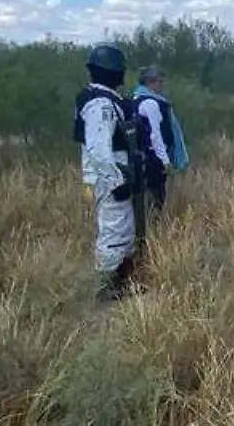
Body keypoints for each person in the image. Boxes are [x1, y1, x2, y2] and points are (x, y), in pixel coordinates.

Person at [73, 43, 143, 301]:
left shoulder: (103, 99)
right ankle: (105, 287)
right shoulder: (100, 104)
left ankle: (120, 282)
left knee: (122, 229)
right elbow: (99, 150)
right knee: (113, 231)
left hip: (108, 177)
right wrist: (116, 181)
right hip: (107, 179)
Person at [132, 65, 190, 228]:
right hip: (153, 161)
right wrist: (165, 161)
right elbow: (155, 136)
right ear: (150, 82)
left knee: (145, 199)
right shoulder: (151, 103)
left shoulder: (136, 100)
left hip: (141, 159)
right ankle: (151, 235)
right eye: (160, 81)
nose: (162, 85)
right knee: (155, 198)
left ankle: (146, 232)